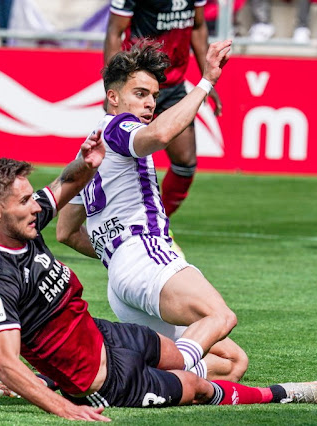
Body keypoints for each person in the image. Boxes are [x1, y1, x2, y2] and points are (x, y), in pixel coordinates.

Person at [0, 152, 317, 421]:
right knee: (195, 386)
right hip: (108, 382)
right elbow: (7, 361)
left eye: (33, 198)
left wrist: (89, 161)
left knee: (200, 359)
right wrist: (65, 409)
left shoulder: (21, 221)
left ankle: (45, 381)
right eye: (25, 201)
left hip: (105, 335)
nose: (37, 207)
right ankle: (289, 393)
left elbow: (65, 183)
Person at [56, 40, 248, 383]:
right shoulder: (119, 128)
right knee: (219, 316)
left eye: (154, 96)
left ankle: (100, 376)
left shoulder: (89, 150)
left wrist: (116, 255)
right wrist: (206, 81)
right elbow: (159, 134)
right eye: (140, 93)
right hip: (144, 254)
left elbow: (65, 231)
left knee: (232, 362)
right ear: (113, 98)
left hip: (120, 278)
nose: (149, 103)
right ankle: (143, 380)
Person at [104, 0, 222, 224]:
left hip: (173, 86)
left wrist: (206, 78)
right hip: (136, 86)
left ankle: (155, 223)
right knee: (120, 160)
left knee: (185, 163)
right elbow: (114, 32)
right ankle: (105, 220)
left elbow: (197, 26)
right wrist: (114, 87)